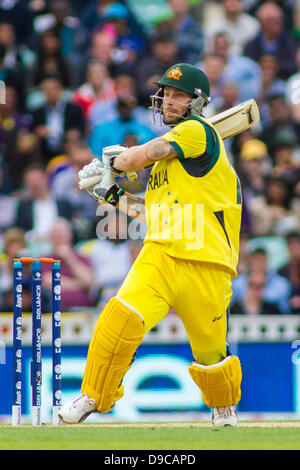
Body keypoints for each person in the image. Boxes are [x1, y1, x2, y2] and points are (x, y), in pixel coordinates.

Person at [59, 63, 243, 427]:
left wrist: (119, 161)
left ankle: (223, 408)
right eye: (168, 94)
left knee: (211, 353)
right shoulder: (168, 163)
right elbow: (152, 214)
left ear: (197, 102)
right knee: (119, 319)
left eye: (179, 95)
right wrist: (113, 194)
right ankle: (93, 395)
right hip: (161, 254)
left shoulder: (197, 131)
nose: (170, 102)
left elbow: (153, 149)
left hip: (206, 262)